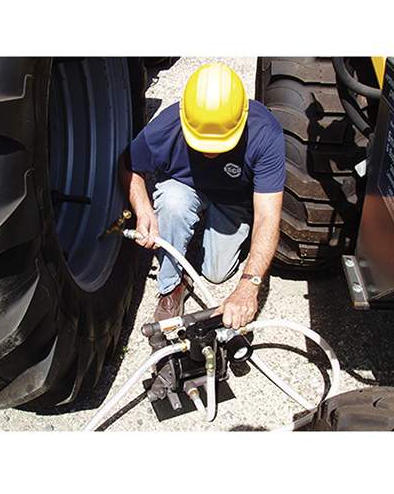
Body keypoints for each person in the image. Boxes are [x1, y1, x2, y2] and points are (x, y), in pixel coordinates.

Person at [119, 62, 285, 329]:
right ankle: (172, 286)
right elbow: (128, 165)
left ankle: (215, 229)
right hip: (184, 188)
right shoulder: (166, 127)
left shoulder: (265, 133)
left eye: (220, 145)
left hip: (232, 198)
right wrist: (144, 210)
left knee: (217, 273)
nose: (210, 152)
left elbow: (268, 215)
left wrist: (249, 285)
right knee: (172, 203)